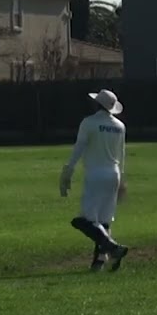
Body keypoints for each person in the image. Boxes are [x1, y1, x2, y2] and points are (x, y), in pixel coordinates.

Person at [59, 89, 130, 272]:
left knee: (86, 220)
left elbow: (79, 148)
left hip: (95, 174)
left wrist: (67, 172)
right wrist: (122, 180)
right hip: (113, 174)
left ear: (97, 104)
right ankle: (99, 263)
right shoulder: (120, 126)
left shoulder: (89, 123)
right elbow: (121, 155)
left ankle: (112, 247)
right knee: (104, 220)